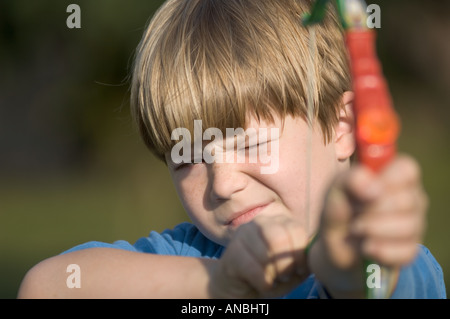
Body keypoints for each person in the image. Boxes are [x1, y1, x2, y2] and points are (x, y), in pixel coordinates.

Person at [18, 0, 445, 299]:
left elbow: (369, 279)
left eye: (251, 143)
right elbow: (49, 287)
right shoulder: (194, 258)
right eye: (187, 156)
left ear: (342, 125)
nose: (222, 183)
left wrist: (337, 261)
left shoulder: (408, 269)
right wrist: (220, 284)